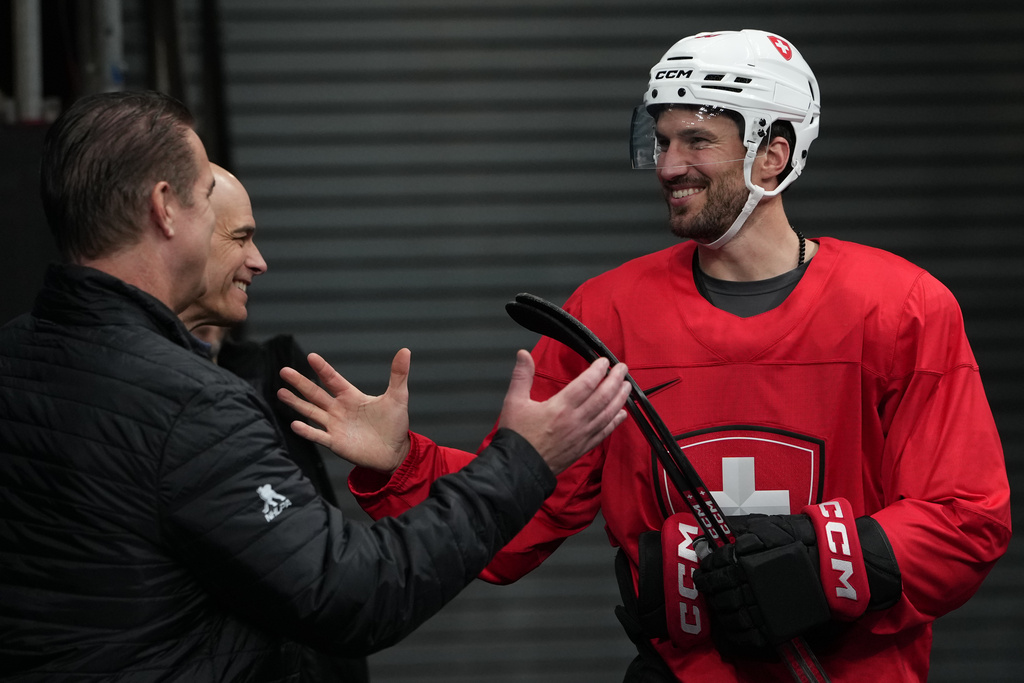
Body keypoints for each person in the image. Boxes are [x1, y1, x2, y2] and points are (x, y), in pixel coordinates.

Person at [326, 30, 1012, 682]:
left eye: (697, 141)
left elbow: (968, 518)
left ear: (772, 155)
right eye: (661, 142)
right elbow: (519, 520)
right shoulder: (608, 313)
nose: (668, 165)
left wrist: (816, 563)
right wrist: (402, 464)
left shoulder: (902, 306)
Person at [0, 90, 632, 680]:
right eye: (203, 196)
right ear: (165, 208)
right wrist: (522, 462)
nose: (257, 259)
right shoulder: (190, 405)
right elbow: (350, 594)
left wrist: (404, 463)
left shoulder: (15, 355)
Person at [184, 164, 369, 682]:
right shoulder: (168, 405)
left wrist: (397, 463)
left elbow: (314, 574)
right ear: (170, 228)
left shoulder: (272, 380)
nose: (259, 262)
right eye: (240, 237)